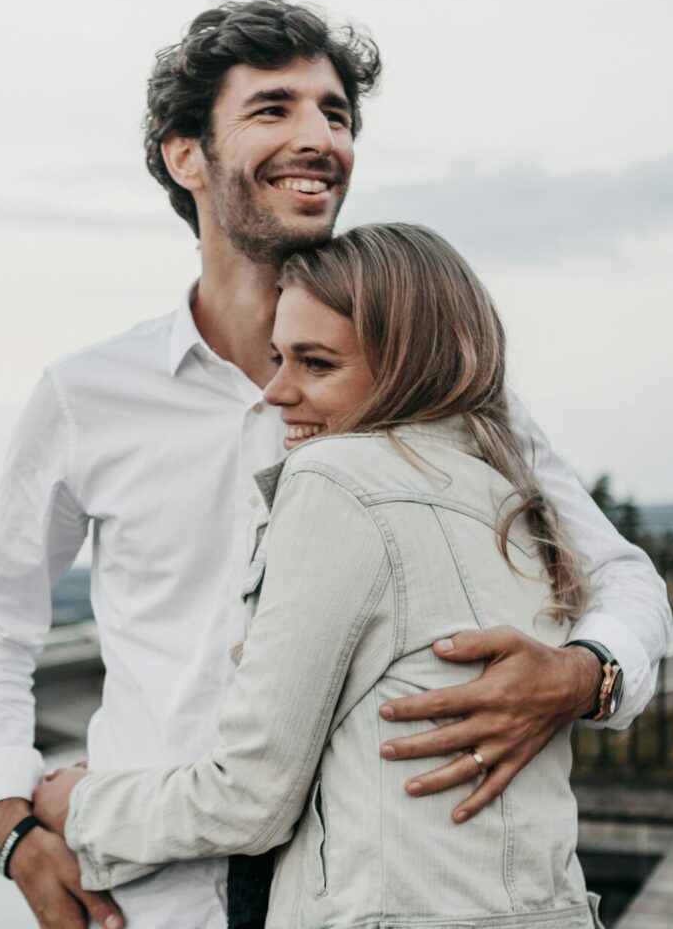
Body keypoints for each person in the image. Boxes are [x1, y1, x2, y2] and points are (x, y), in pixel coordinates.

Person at [0, 0, 670, 929]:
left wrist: (584, 675)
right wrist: (10, 821)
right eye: (274, 109)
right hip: (151, 889)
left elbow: (619, 574)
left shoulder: (431, 384)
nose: (319, 137)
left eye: (336, 114)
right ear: (186, 155)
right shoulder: (88, 394)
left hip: (367, 888)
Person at [31, 221, 608, 928]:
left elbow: (251, 797)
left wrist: (79, 808)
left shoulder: (335, 479)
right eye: (278, 358)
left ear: (408, 365)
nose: (276, 392)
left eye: (316, 364)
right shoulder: (514, 497)